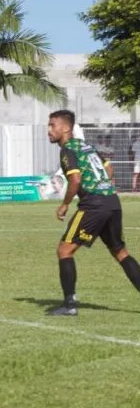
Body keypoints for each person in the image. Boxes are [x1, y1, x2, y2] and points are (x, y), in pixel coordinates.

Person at [47, 110, 140, 315]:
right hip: (111, 201)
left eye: (52, 125)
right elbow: (109, 169)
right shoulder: (88, 147)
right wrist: (102, 186)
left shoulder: (68, 150)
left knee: (65, 250)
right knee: (120, 252)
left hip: (93, 205)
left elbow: (76, 180)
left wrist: (65, 204)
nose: (49, 130)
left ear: (66, 128)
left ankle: (69, 306)